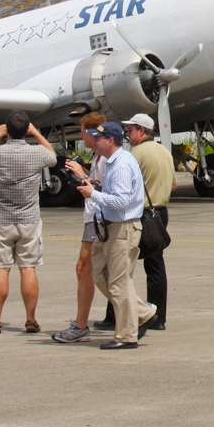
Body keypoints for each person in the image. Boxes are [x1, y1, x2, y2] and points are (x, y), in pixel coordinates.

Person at [76, 121, 157, 349]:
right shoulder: (114, 161)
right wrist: (96, 187)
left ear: (110, 141)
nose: (94, 142)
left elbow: (121, 202)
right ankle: (143, 313)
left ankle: (127, 335)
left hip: (122, 228)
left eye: (98, 138)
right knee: (101, 273)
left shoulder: (120, 164)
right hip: (110, 227)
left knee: (119, 282)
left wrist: (93, 194)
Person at [0, 111, 57, 334]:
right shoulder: (35, 153)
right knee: (28, 268)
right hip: (28, 219)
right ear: (26, 129)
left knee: (1, 269)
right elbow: (52, 156)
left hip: (1, 219)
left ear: (7, 130)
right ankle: (31, 319)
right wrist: (36, 133)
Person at [95, 114, 176, 332]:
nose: (127, 135)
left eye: (130, 130)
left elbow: (127, 186)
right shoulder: (164, 151)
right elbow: (174, 185)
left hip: (140, 214)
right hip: (160, 213)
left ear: (142, 131)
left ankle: (120, 315)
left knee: (120, 266)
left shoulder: (135, 154)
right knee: (155, 266)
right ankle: (158, 317)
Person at [51, 112, 107, 343]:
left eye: (83, 132)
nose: (80, 136)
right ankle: (133, 312)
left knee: (84, 268)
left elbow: (104, 188)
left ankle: (81, 325)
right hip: (93, 218)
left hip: (98, 219)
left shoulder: (107, 159)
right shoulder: (98, 157)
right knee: (101, 271)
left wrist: (82, 174)